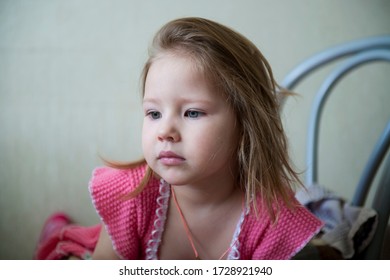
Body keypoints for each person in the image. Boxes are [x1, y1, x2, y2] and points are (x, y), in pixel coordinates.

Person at [35, 17, 322, 260]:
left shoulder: (273, 224)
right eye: (154, 113)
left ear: (246, 124)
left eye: (193, 113)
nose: (165, 131)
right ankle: (59, 229)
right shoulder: (132, 197)